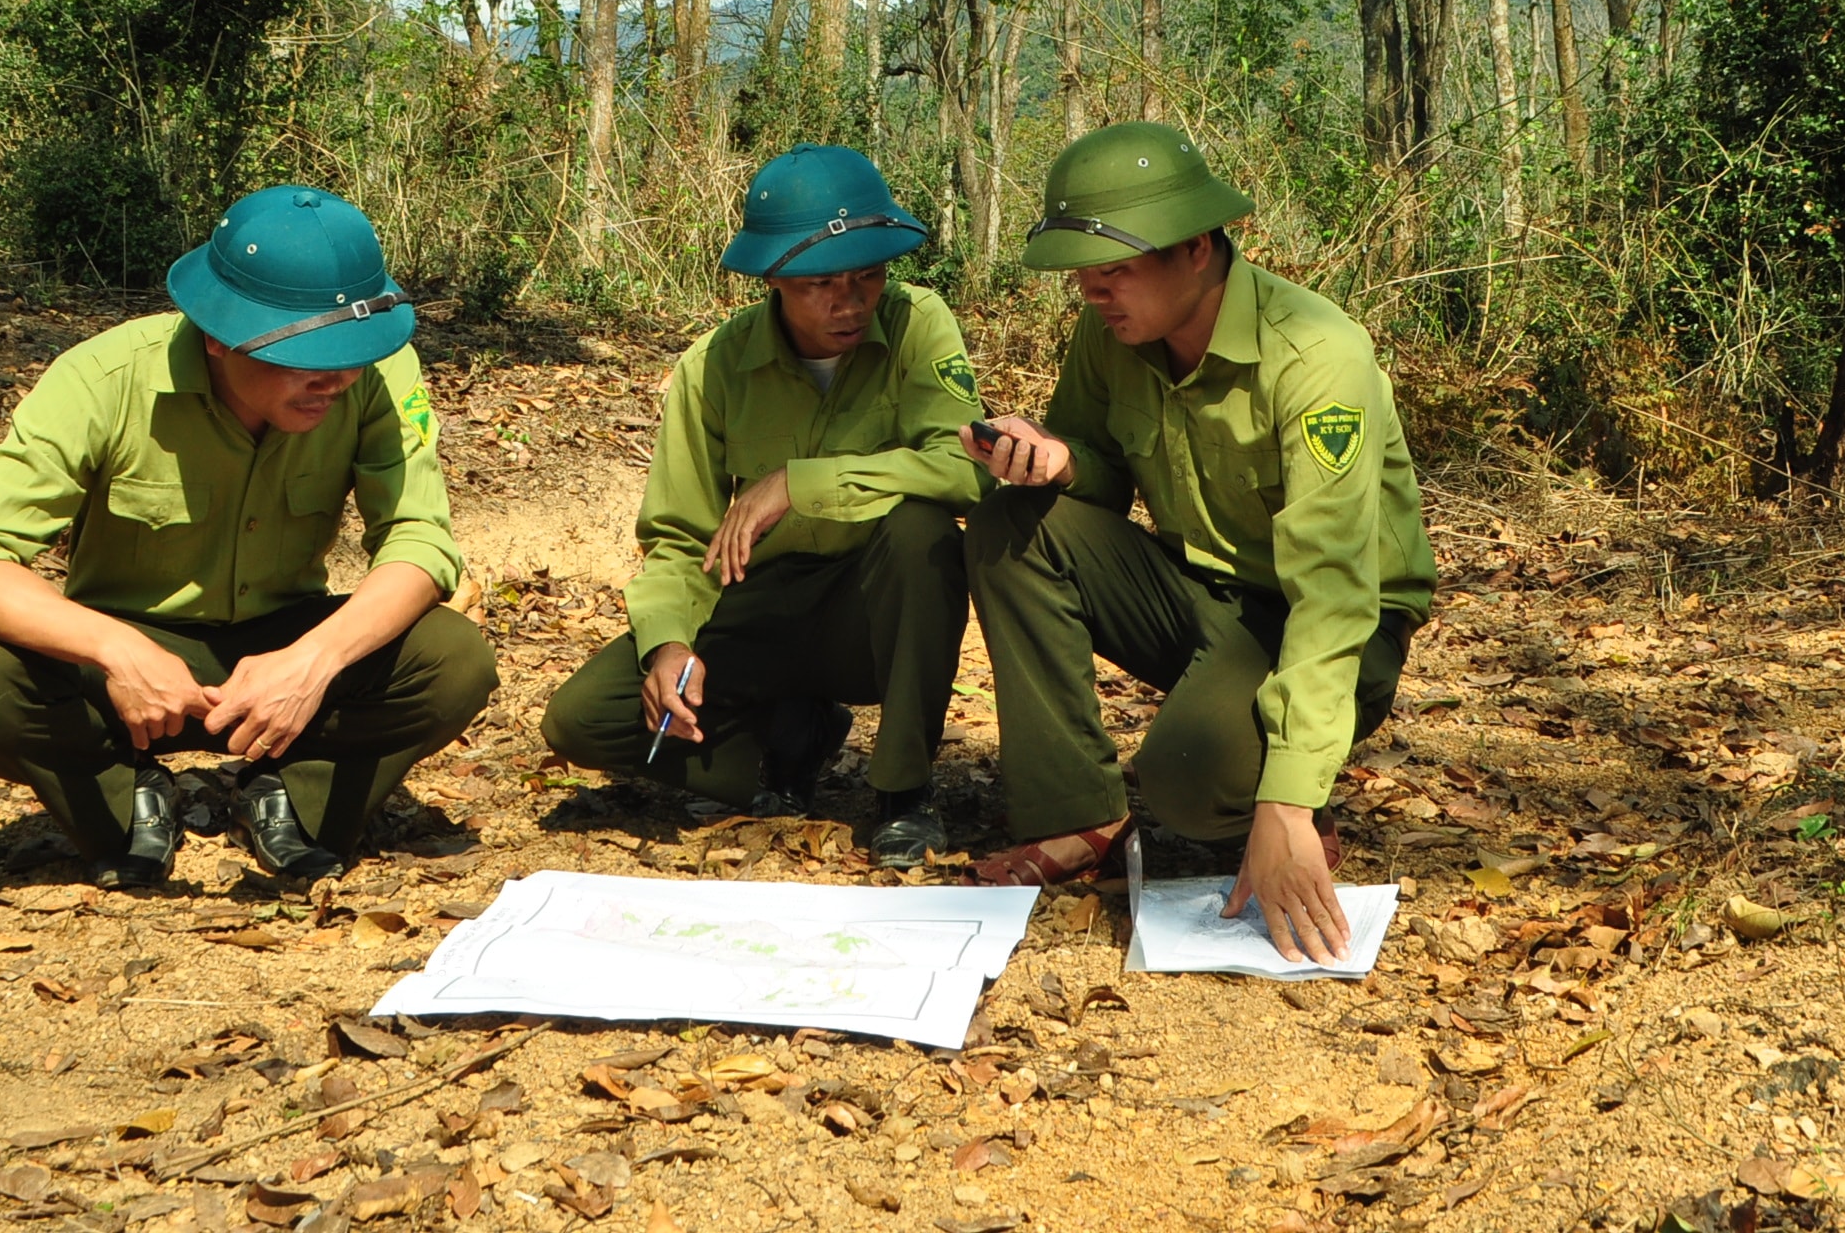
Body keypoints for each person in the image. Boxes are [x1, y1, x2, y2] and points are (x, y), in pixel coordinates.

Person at [0, 186, 499, 889]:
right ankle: (126, 797)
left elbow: (419, 541)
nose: (338, 378)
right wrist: (114, 648)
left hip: (283, 644)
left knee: (451, 658)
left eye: (355, 351)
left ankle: (291, 796)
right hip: (124, 667)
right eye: (311, 354)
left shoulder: (374, 379)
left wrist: (314, 661)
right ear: (218, 334)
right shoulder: (102, 379)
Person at [961, 122, 1433, 964]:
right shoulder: (1112, 338)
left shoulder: (1315, 355)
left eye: (1116, 272)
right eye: (1083, 278)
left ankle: (1284, 791)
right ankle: (1081, 812)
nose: (1095, 296)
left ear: (1199, 251)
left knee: (1187, 783)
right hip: (1200, 594)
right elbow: (1102, 484)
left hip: (1330, 623)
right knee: (1008, 524)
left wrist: (1284, 805)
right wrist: (1060, 463)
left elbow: (1334, 592)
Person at [542, 145, 988, 869]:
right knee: (583, 721)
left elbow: (964, 471)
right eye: (821, 283)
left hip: (874, 612)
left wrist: (802, 482)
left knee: (921, 530)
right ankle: (782, 743)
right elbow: (680, 537)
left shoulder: (917, 325)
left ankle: (904, 791)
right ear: (774, 277)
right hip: (758, 609)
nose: (851, 301)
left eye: (869, 275)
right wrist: (668, 646)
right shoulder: (712, 365)